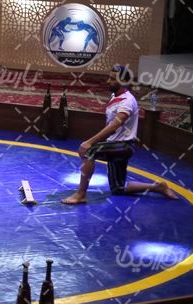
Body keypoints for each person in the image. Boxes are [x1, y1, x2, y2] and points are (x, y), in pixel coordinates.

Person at [61, 65, 178, 204]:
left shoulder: (127, 101)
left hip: (123, 146)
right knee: (118, 188)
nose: (108, 81)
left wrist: (90, 142)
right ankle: (157, 187)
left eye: (112, 79)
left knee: (89, 152)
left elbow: (115, 125)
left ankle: (80, 195)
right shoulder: (115, 96)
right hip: (115, 144)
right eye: (109, 77)